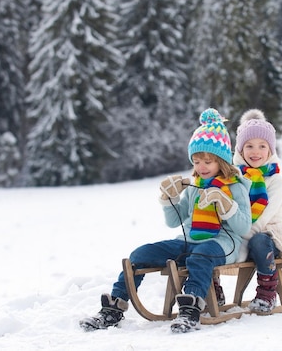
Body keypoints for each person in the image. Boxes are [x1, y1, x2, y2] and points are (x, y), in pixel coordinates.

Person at [79, 108, 252, 333]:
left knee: (201, 255)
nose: (201, 167)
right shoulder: (195, 186)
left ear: (222, 161)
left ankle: (190, 309)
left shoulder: (235, 187)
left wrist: (226, 204)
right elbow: (175, 221)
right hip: (188, 241)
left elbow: (243, 227)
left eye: (208, 161)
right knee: (139, 255)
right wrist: (168, 198)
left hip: (221, 244)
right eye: (197, 161)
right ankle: (114, 308)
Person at [228, 109, 282, 313]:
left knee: (259, 240)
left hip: (271, 234)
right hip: (241, 232)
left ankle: (267, 292)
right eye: (249, 146)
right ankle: (213, 291)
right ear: (240, 150)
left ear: (271, 150)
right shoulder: (235, 177)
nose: (256, 152)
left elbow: (263, 218)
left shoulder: (275, 181)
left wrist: (244, 238)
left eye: (262, 146)